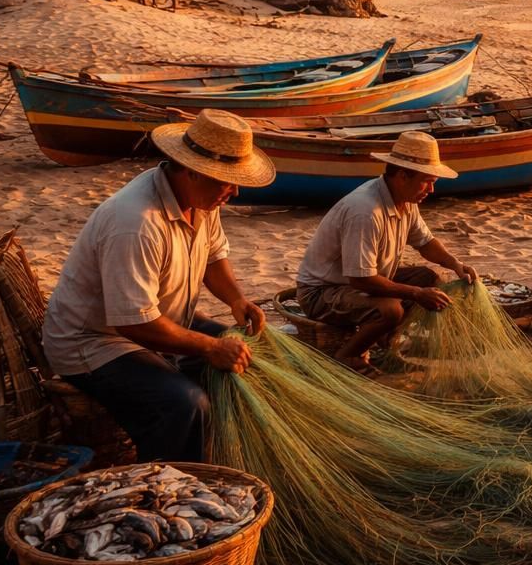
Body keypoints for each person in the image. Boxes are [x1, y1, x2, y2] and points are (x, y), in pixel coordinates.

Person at [42, 110, 275, 462]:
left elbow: (213, 258)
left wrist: (237, 300)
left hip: (163, 316)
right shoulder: (134, 222)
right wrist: (211, 347)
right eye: (228, 181)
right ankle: (167, 479)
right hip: (96, 341)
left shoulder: (202, 199)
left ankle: (221, 457)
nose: (235, 190)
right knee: (184, 404)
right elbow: (133, 322)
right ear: (194, 170)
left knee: (250, 356)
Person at [296, 131, 477, 369]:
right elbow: (361, 280)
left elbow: (425, 243)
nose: (431, 190)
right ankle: (348, 355)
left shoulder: (406, 201)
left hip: (362, 280)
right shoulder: (366, 211)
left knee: (431, 278)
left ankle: (385, 340)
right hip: (322, 292)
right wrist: (415, 294)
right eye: (427, 181)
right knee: (390, 310)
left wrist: (455, 265)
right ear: (403, 175)